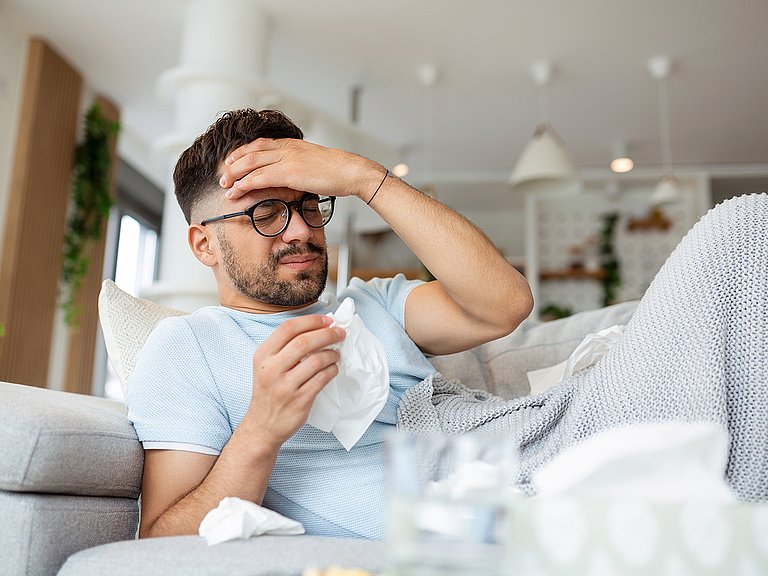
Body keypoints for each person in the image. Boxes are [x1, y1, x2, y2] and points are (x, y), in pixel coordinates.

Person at [126, 108, 534, 540]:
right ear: (205, 245)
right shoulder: (188, 347)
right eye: (266, 214)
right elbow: (161, 541)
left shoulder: (376, 304)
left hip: (517, 467)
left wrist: (364, 178)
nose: (301, 229)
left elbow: (506, 304)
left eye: (309, 205)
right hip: (463, 531)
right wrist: (262, 429)